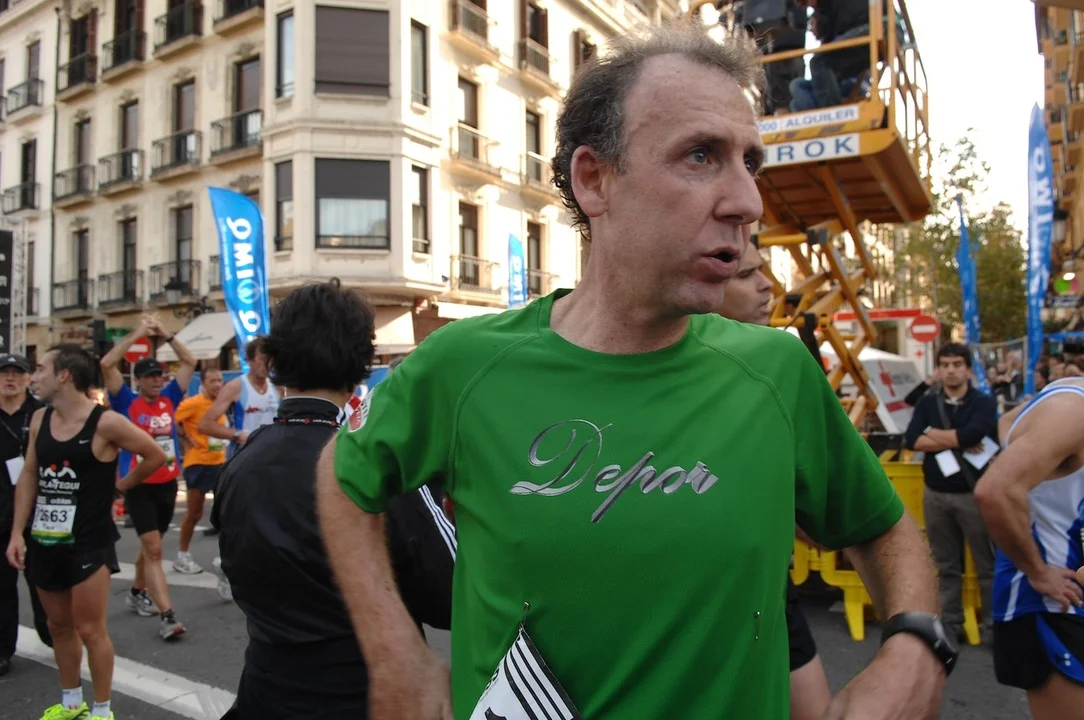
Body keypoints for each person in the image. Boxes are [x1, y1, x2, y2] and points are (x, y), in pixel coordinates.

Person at [318, 23, 949, 720]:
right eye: (701, 156)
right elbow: (343, 476)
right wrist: (395, 652)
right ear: (595, 179)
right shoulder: (465, 365)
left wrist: (915, 643)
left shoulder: (777, 371)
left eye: (750, 163)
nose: (747, 202)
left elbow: (882, 528)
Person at [213, 281, 451, 718]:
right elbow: (448, 595)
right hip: (363, 697)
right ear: (361, 363)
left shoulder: (241, 462)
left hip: (265, 692)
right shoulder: (374, 464)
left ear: (274, 359)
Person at [6, 344, 167, 720]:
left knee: (91, 630)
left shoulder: (105, 422)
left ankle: (102, 709)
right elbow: (29, 475)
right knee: (58, 626)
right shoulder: (40, 418)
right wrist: (17, 533)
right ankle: (71, 703)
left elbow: (156, 455)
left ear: (64, 375)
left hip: (89, 541)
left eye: (41, 369)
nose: (34, 376)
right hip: (45, 538)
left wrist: (119, 488)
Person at [716, 235, 832, 720]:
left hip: (771, 596)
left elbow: (824, 523)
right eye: (747, 275)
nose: (768, 286)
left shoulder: (781, 368)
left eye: (763, 270)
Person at [974, 377, 1084, 719]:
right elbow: (995, 491)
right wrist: (1038, 571)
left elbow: (1008, 422)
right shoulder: (1072, 411)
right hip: (1054, 600)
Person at [100, 315, 196, 639]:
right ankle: (168, 617)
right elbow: (106, 364)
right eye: (151, 377)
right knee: (154, 549)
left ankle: (137, 591)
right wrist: (141, 331)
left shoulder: (170, 397)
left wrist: (165, 333)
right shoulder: (125, 401)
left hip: (167, 484)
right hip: (138, 485)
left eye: (160, 376)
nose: (157, 381)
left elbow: (190, 361)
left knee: (150, 546)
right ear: (138, 380)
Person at [904, 343, 999, 644]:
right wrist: (956, 439)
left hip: (973, 494)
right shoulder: (927, 403)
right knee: (945, 567)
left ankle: (993, 628)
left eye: (957, 364)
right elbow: (911, 440)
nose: (951, 370)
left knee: (987, 566)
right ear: (938, 369)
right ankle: (950, 627)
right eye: (945, 364)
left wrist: (931, 433)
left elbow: (973, 434)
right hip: (935, 494)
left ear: (968, 369)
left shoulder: (983, 403)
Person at [0, 353, 50, 674]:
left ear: (28, 377)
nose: (10, 378)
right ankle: (3, 649)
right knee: (1, 587)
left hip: (38, 511)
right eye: (4, 372)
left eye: (17, 372)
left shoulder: (42, 413)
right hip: (0, 513)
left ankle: (53, 633)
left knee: (43, 581)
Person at [172, 368, 228, 575]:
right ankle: (182, 555)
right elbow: (172, 420)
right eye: (212, 380)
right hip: (198, 464)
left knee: (226, 512)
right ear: (203, 383)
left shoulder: (222, 403)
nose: (217, 384)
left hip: (220, 463)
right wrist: (186, 438)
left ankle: (226, 558)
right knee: (195, 513)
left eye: (220, 380)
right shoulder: (193, 403)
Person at [197, 337, 280, 450]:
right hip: (245, 453)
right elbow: (205, 425)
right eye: (262, 359)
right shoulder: (235, 387)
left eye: (270, 359)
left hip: (272, 453)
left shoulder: (277, 386)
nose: (267, 364)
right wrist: (237, 435)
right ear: (250, 360)